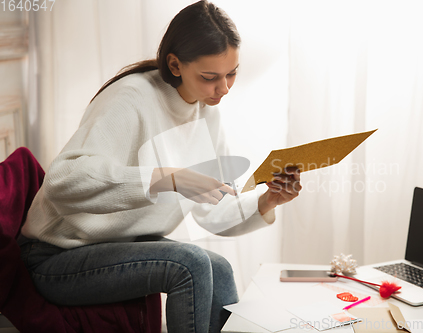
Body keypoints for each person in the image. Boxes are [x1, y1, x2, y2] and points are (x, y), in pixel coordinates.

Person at [18, 1, 302, 332]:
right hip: (54, 260)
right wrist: (165, 179)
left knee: (219, 267)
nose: (224, 89)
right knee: (190, 265)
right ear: (175, 64)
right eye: (210, 77)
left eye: (232, 73)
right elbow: (62, 183)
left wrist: (268, 201)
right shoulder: (131, 99)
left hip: (115, 248)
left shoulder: (206, 113)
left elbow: (212, 211)